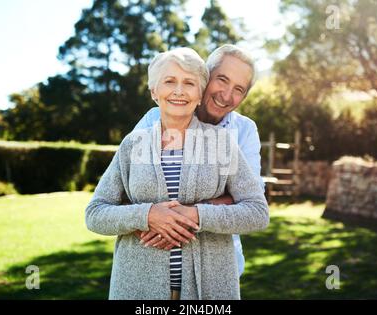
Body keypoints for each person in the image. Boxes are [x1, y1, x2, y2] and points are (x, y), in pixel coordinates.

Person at [85, 47, 269, 299]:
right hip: (138, 288)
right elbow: (96, 213)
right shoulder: (135, 142)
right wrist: (147, 215)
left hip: (210, 285)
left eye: (189, 83)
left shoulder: (225, 142)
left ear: (198, 90)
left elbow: (256, 209)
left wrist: (191, 216)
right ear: (154, 91)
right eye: (169, 82)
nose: (179, 91)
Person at [133, 44, 264, 277]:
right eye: (221, 79)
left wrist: (187, 214)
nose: (226, 95)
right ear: (204, 76)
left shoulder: (244, 130)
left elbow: (251, 199)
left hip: (219, 266)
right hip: (153, 264)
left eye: (239, 89)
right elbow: (127, 190)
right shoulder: (154, 120)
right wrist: (148, 216)